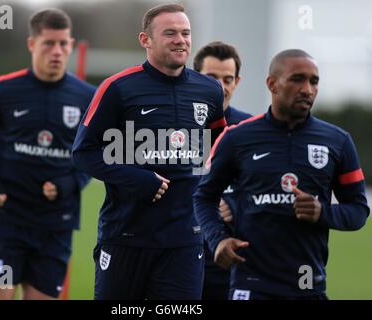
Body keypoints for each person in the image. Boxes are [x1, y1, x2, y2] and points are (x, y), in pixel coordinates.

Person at [72, 4, 227, 299]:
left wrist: (218, 195)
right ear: (145, 40)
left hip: (184, 242)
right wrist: (136, 178)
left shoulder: (209, 91)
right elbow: (83, 152)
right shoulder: (117, 88)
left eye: (185, 33)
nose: (180, 40)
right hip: (126, 237)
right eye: (170, 33)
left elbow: (219, 151)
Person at [193, 49, 369, 300]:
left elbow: (359, 210)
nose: (307, 89)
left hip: (309, 286)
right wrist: (218, 238)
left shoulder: (337, 141)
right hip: (251, 285)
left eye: (314, 81)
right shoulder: (237, 138)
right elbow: (204, 197)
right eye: (297, 79)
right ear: (272, 84)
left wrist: (323, 212)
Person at [0, 9, 96, 300]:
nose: (57, 51)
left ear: (70, 45)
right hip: (8, 223)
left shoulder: (87, 97)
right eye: (48, 43)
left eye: (63, 44)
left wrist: (71, 183)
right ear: (32, 44)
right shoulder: (2, 90)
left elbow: (98, 152)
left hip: (55, 228)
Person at [193, 41, 252, 300]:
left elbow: (265, 193)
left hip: (227, 259)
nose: (221, 86)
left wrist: (232, 204)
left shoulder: (250, 131)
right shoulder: (172, 127)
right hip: (176, 254)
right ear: (194, 78)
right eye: (212, 77)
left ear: (237, 82)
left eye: (228, 79)